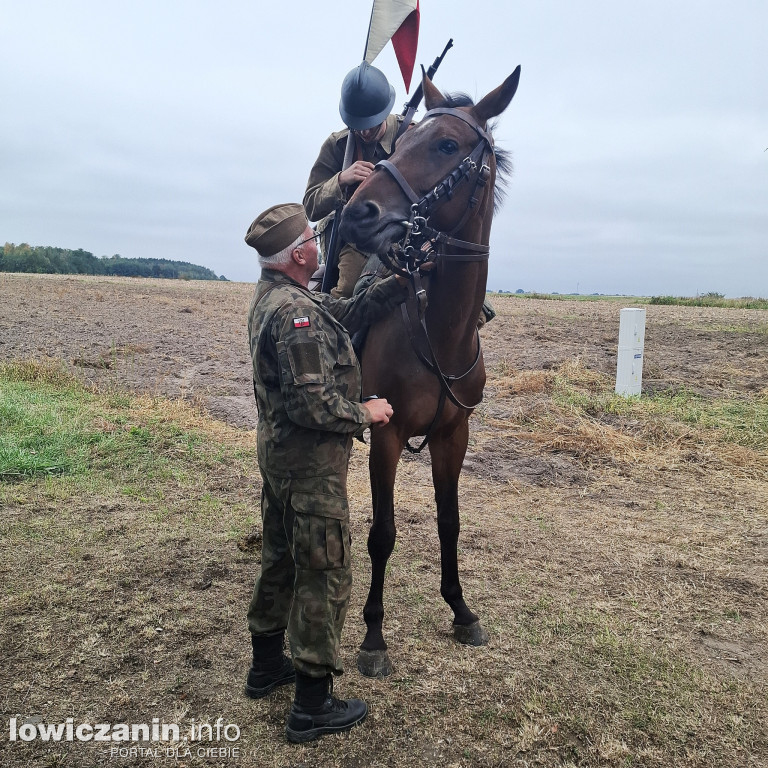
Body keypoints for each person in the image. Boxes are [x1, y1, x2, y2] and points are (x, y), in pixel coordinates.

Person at [242, 203, 408, 743]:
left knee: (280, 557)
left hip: (280, 458)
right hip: (310, 466)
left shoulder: (278, 297)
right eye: (313, 238)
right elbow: (311, 407)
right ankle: (312, 704)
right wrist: (368, 412)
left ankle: (267, 667)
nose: (319, 243)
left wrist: (393, 285)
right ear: (298, 255)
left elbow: (343, 308)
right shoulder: (296, 317)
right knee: (326, 573)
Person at [303, 61, 405, 298]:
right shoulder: (336, 145)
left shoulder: (410, 134)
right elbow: (310, 205)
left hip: (404, 233)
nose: (365, 132)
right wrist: (340, 180)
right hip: (359, 239)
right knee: (347, 294)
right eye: (358, 126)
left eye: (372, 124)